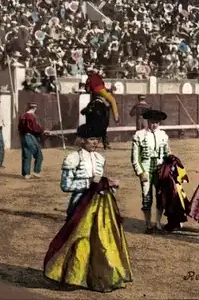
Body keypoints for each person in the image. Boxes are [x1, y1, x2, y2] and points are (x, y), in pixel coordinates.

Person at [43, 124, 133, 292]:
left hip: (100, 206)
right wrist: (90, 182)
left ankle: (96, 278)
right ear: (82, 140)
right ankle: (73, 276)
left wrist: (109, 185)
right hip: (80, 204)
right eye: (92, 139)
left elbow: (99, 182)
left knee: (99, 241)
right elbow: (66, 185)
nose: (95, 143)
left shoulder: (100, 158)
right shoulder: (72, 158)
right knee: (78, 241)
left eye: (97, 140)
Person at [131, 109, 170, 234]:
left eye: (157, 123)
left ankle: (158, 223)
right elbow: (135, 157)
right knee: (147, 197)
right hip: (146, 168)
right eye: (152, 122)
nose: (154, 125)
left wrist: (170, 160)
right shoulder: (139, 135)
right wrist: (140, 172)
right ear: (148, 121)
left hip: (159, 169)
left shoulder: (163, 135)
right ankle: (148, 224)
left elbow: (167, 152)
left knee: (160, 196)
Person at [18, 102, 46, 179]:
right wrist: (43, 131)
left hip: (23, 137)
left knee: (26, 155)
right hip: (30, 137)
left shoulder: (22, 116)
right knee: (39, 155)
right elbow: (35, 128)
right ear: (34, 108)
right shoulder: (32, 116)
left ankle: (26, 174)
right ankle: (36, 172)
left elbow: (19, 128)